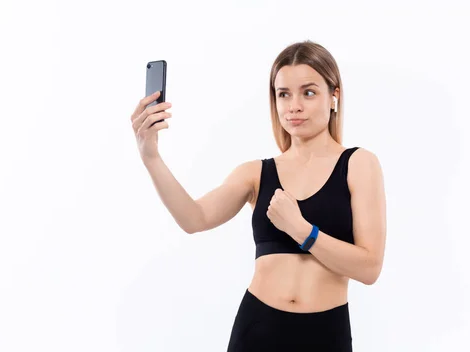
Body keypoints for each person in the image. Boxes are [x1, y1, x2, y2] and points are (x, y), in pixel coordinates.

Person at [130, 40, 387, 351]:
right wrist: (151, 156)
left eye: (308, 92)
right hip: (258, 329)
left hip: (325, 333)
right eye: (283, 94)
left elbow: (370, 267)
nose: (294, 106)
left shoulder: (359, 164)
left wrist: (301, 230)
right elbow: (194, 218)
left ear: (334, 96)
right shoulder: (256, 173)